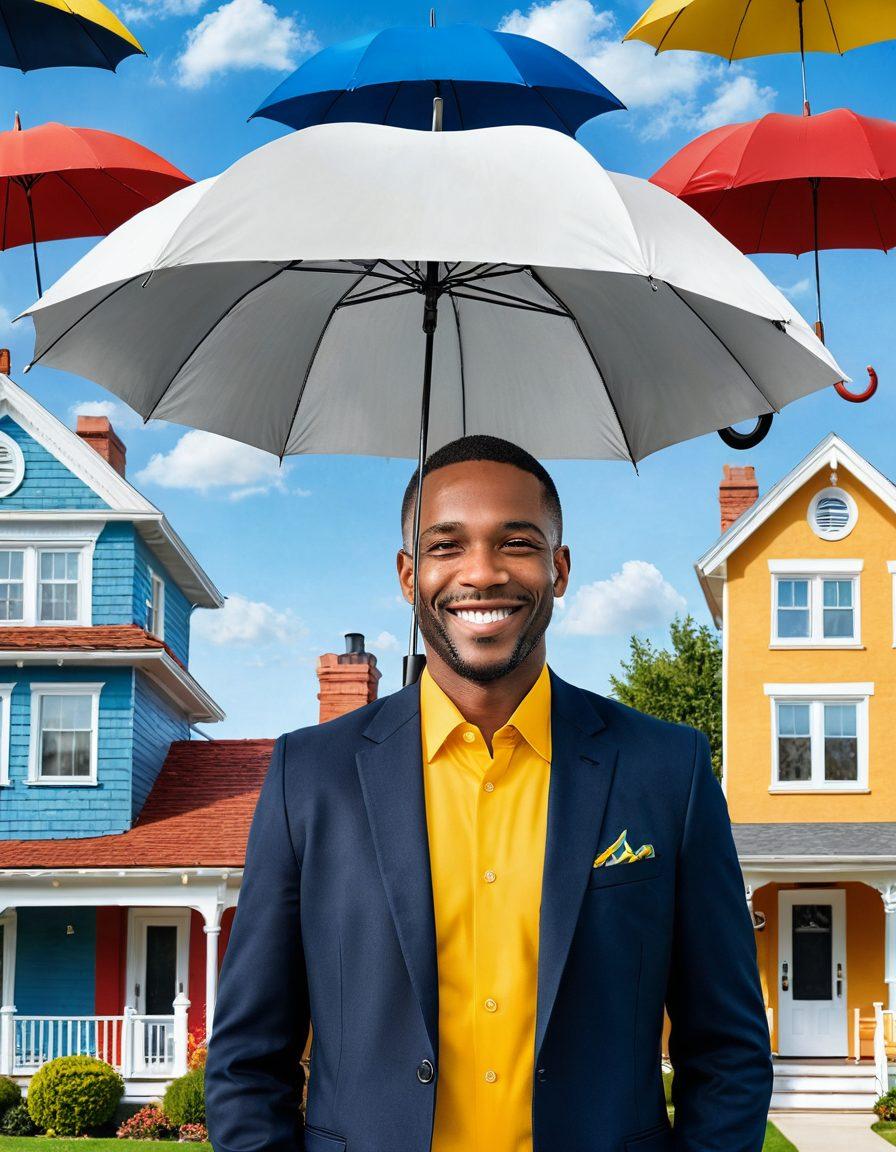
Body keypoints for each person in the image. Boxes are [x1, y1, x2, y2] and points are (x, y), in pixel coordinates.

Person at [204, 434, 773, 1152]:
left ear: (559, 569)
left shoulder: (668, 769)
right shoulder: (309, 776)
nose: (481, 572)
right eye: (446, 545)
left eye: (517, 542)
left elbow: (726, 1051)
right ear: (408, 574)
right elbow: (247, 1063)